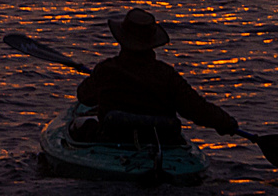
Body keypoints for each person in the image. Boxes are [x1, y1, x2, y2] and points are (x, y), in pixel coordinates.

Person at [73, 7, 239, 142]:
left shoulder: (106, 70)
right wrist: (225, 122)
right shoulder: (167, 76)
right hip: (159, 141)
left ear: (122, 40)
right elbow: (196, 108)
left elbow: (84, 96)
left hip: (113, 139)